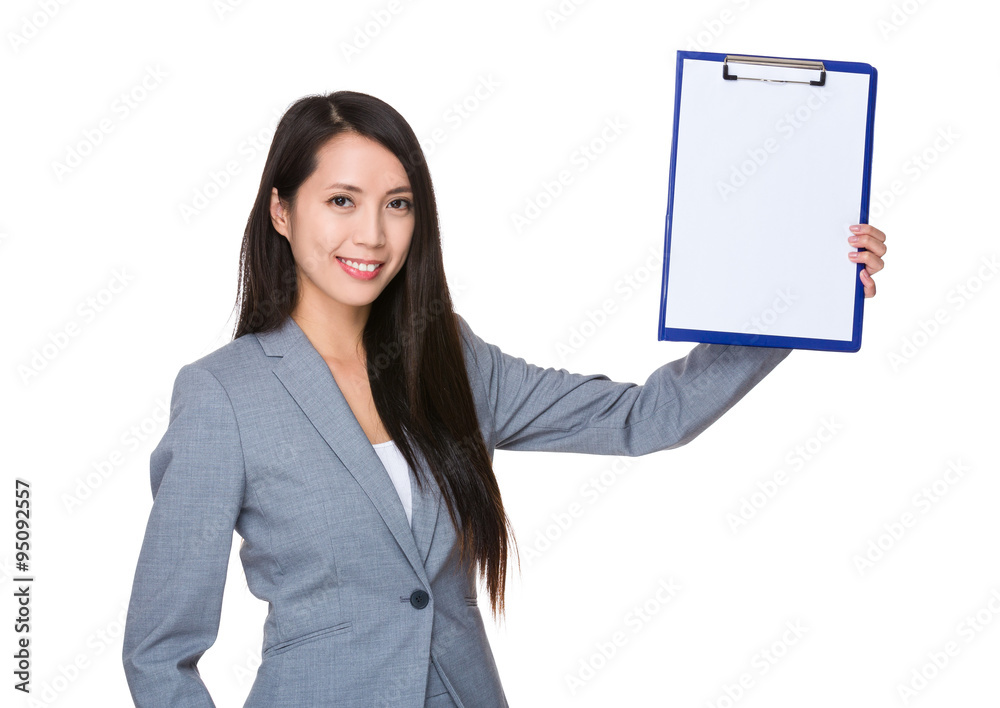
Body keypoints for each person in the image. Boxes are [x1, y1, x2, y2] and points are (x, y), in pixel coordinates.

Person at [121, 90, 887, 708]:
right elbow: (160, 652)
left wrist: (801, 295)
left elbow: (648, 418)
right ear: (282, 212)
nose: (375, 235)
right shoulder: (223, 395)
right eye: (342, 201)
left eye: (398, 204)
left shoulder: (446, 354)